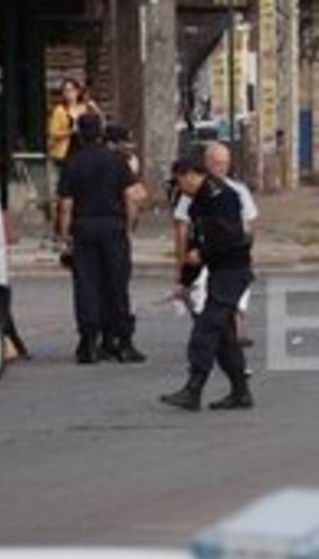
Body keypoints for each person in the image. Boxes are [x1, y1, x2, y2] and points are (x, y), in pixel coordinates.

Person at [161, 156, 255, 411]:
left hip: (232, 273)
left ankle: (193, 390)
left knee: (204, 330)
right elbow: (194, 245)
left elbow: (235, 238)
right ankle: (241, 393)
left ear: (191, 174)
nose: (179, 188)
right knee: (225, 338)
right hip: (219, 273)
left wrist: (204, 253)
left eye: (180, 181)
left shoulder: (222, 197)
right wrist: (184, 283)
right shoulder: (198, 202)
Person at [56, 113, 147, 365]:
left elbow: (66, 205)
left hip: (84, 227)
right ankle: (123, 342)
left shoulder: (72, 163)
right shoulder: (117, 161)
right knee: (117, 284)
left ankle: (88, 343)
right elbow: (132, 197)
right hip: (113, 226)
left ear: (79, 133)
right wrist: (128, 226)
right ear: (101, 132)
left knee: (87, 285)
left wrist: (64, 238)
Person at [174, 142, 259, 348]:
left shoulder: (234, 191)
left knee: (227, 306)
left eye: (225, 163)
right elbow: (184, 229)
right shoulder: (192, 194)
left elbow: (247, 226)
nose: (222, 168)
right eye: (216, 163)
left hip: (228, 260)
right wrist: (182, 266)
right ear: (206, 164)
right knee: (208, 307)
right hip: (209, 261)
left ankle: (230, 338)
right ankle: (220, 347)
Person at [47, 78, 100, 168]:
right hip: (66, 151)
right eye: (65, 91)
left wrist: (95, 109)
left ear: (78, 91)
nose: (69, 94)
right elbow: (53, 133)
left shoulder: (86, 107)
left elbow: (99, 123)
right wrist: (71, 131)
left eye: (71, 90)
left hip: (84, 148)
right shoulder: (60, 110)